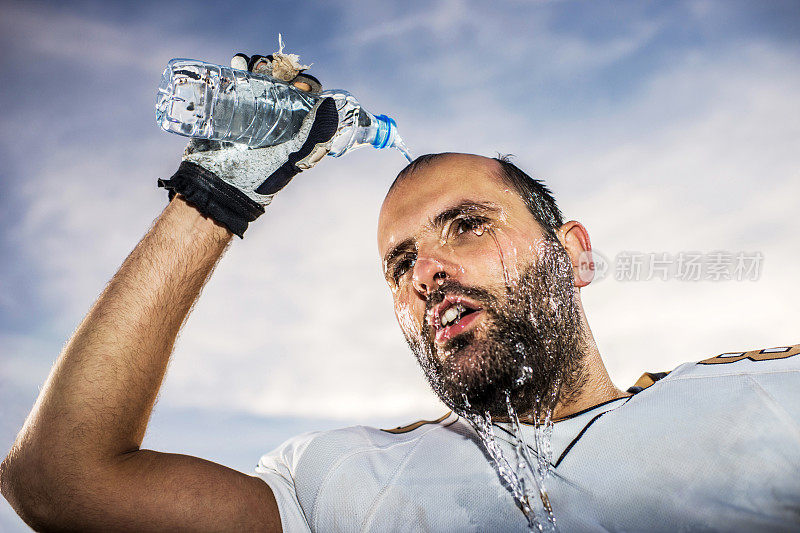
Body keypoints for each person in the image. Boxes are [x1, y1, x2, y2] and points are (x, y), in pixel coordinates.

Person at [1, 53, 798, 533]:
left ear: (575, 254)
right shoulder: (340, 484)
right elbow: (60, 482)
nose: (427, 272)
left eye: (467, 224)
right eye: (399, 263)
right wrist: (215, 194)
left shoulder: (762, 404)